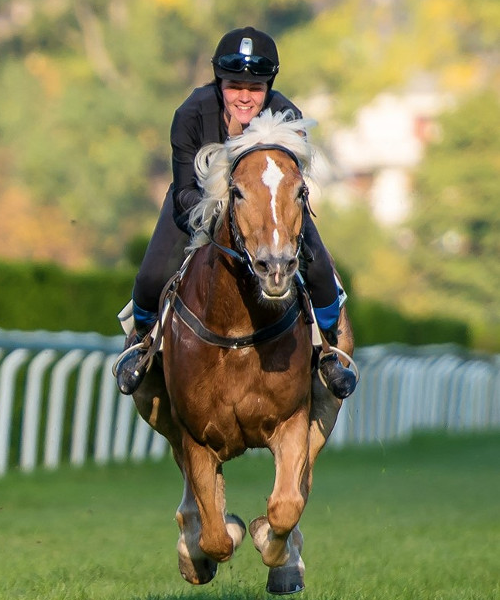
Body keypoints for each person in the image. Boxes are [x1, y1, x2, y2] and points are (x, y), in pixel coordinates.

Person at [113, 26, 356, 399]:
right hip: (194, 205)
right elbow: (183, 192)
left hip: (272, 210)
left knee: (320, 265)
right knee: (150, 275)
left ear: (269, 86)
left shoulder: (288, 115)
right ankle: (141, 343)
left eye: (255, 88)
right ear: (218, 82)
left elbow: (291, 188)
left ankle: (328, 351)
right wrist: (220, 215)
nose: (244, 97)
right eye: (233, 86)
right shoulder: (191, 114)